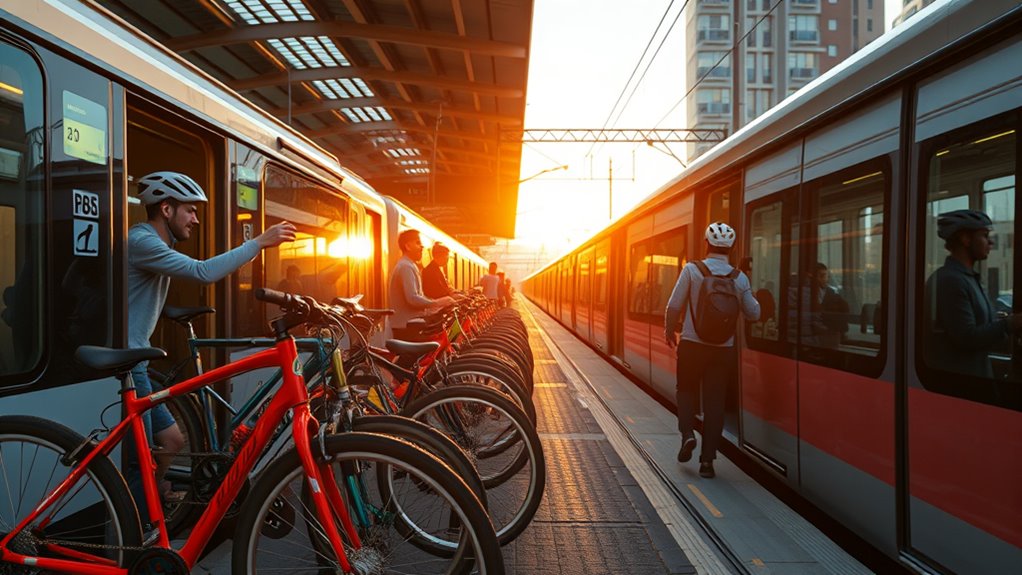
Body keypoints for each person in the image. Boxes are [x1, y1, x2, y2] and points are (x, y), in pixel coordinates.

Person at [127, 171, 295, 526]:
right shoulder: (142, 241)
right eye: (190, 210)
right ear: (166, 209)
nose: (196, 219)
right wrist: (258, 243)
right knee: (142, 458)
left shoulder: (155, 243)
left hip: (137, 359)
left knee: (170, 441)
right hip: (129, 363)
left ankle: (154, 497)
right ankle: (139, 526)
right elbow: (202, 272)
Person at [664, 222, 759, 478]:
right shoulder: (739, 278)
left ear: (706, 244)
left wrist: (669, 331)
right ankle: (707, 463)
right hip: (722, 350)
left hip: (692, 345)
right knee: (715, 403)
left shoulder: (692, 270)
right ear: (732, 248)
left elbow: (674, 305)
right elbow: (753, 313)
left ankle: (687, 434)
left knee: (686, 391)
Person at [924, 209, 1022, 390]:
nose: (990, 242)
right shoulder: (950, 280)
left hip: (975, 379)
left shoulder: (967, 278)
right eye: (984, 236)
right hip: (961, 386)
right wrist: (1008, 325)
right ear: (965, 239)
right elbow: (967, 337)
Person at [389, 229, 456, 340]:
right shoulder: (406, 267)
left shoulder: (409, 265)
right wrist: (436, 303)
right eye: (418, 243)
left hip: (410, 324)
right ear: (408, 246)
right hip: (407, 327)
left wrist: (434, 306)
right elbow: (412, 298)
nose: (422, 247)